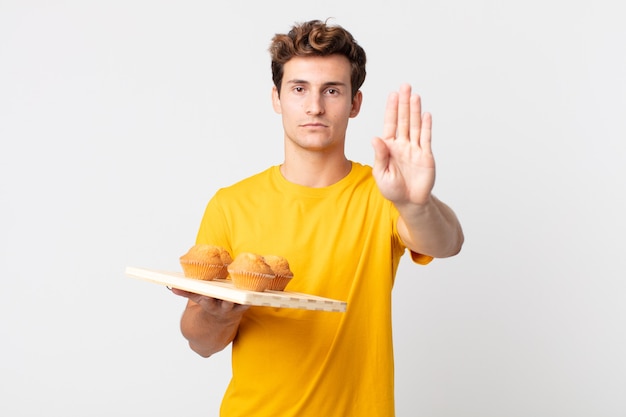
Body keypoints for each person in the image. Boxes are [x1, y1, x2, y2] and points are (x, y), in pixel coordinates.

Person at [172, 19, 464, 417]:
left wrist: (414, 203)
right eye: (299, 89)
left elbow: (447, 243)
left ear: (355, 103)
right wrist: (215, 315)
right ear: (276, 98)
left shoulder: (380, 193)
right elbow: (200, 343)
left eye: (332, 90)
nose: (315, 106)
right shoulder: (231, 204)